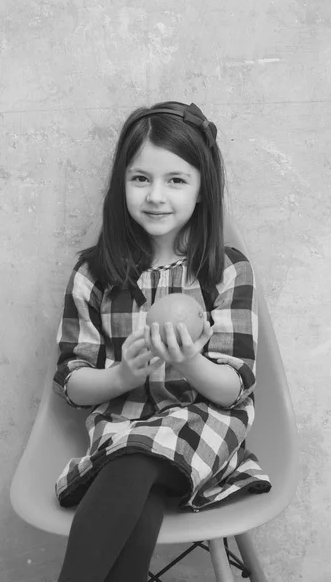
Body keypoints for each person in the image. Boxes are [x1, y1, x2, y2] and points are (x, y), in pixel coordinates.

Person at [52, 101, 271, 582]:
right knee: (137, 481)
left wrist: (191, 360)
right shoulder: (93, 275)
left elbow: (235, 388)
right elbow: (71, 383)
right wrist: (121, 376)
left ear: (201, 190)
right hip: (124, 428)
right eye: (140, 179)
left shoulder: (226, 271)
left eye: (176, 180)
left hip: (203, 427)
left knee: (135, 460)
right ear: (120, 185)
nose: (156, 196)